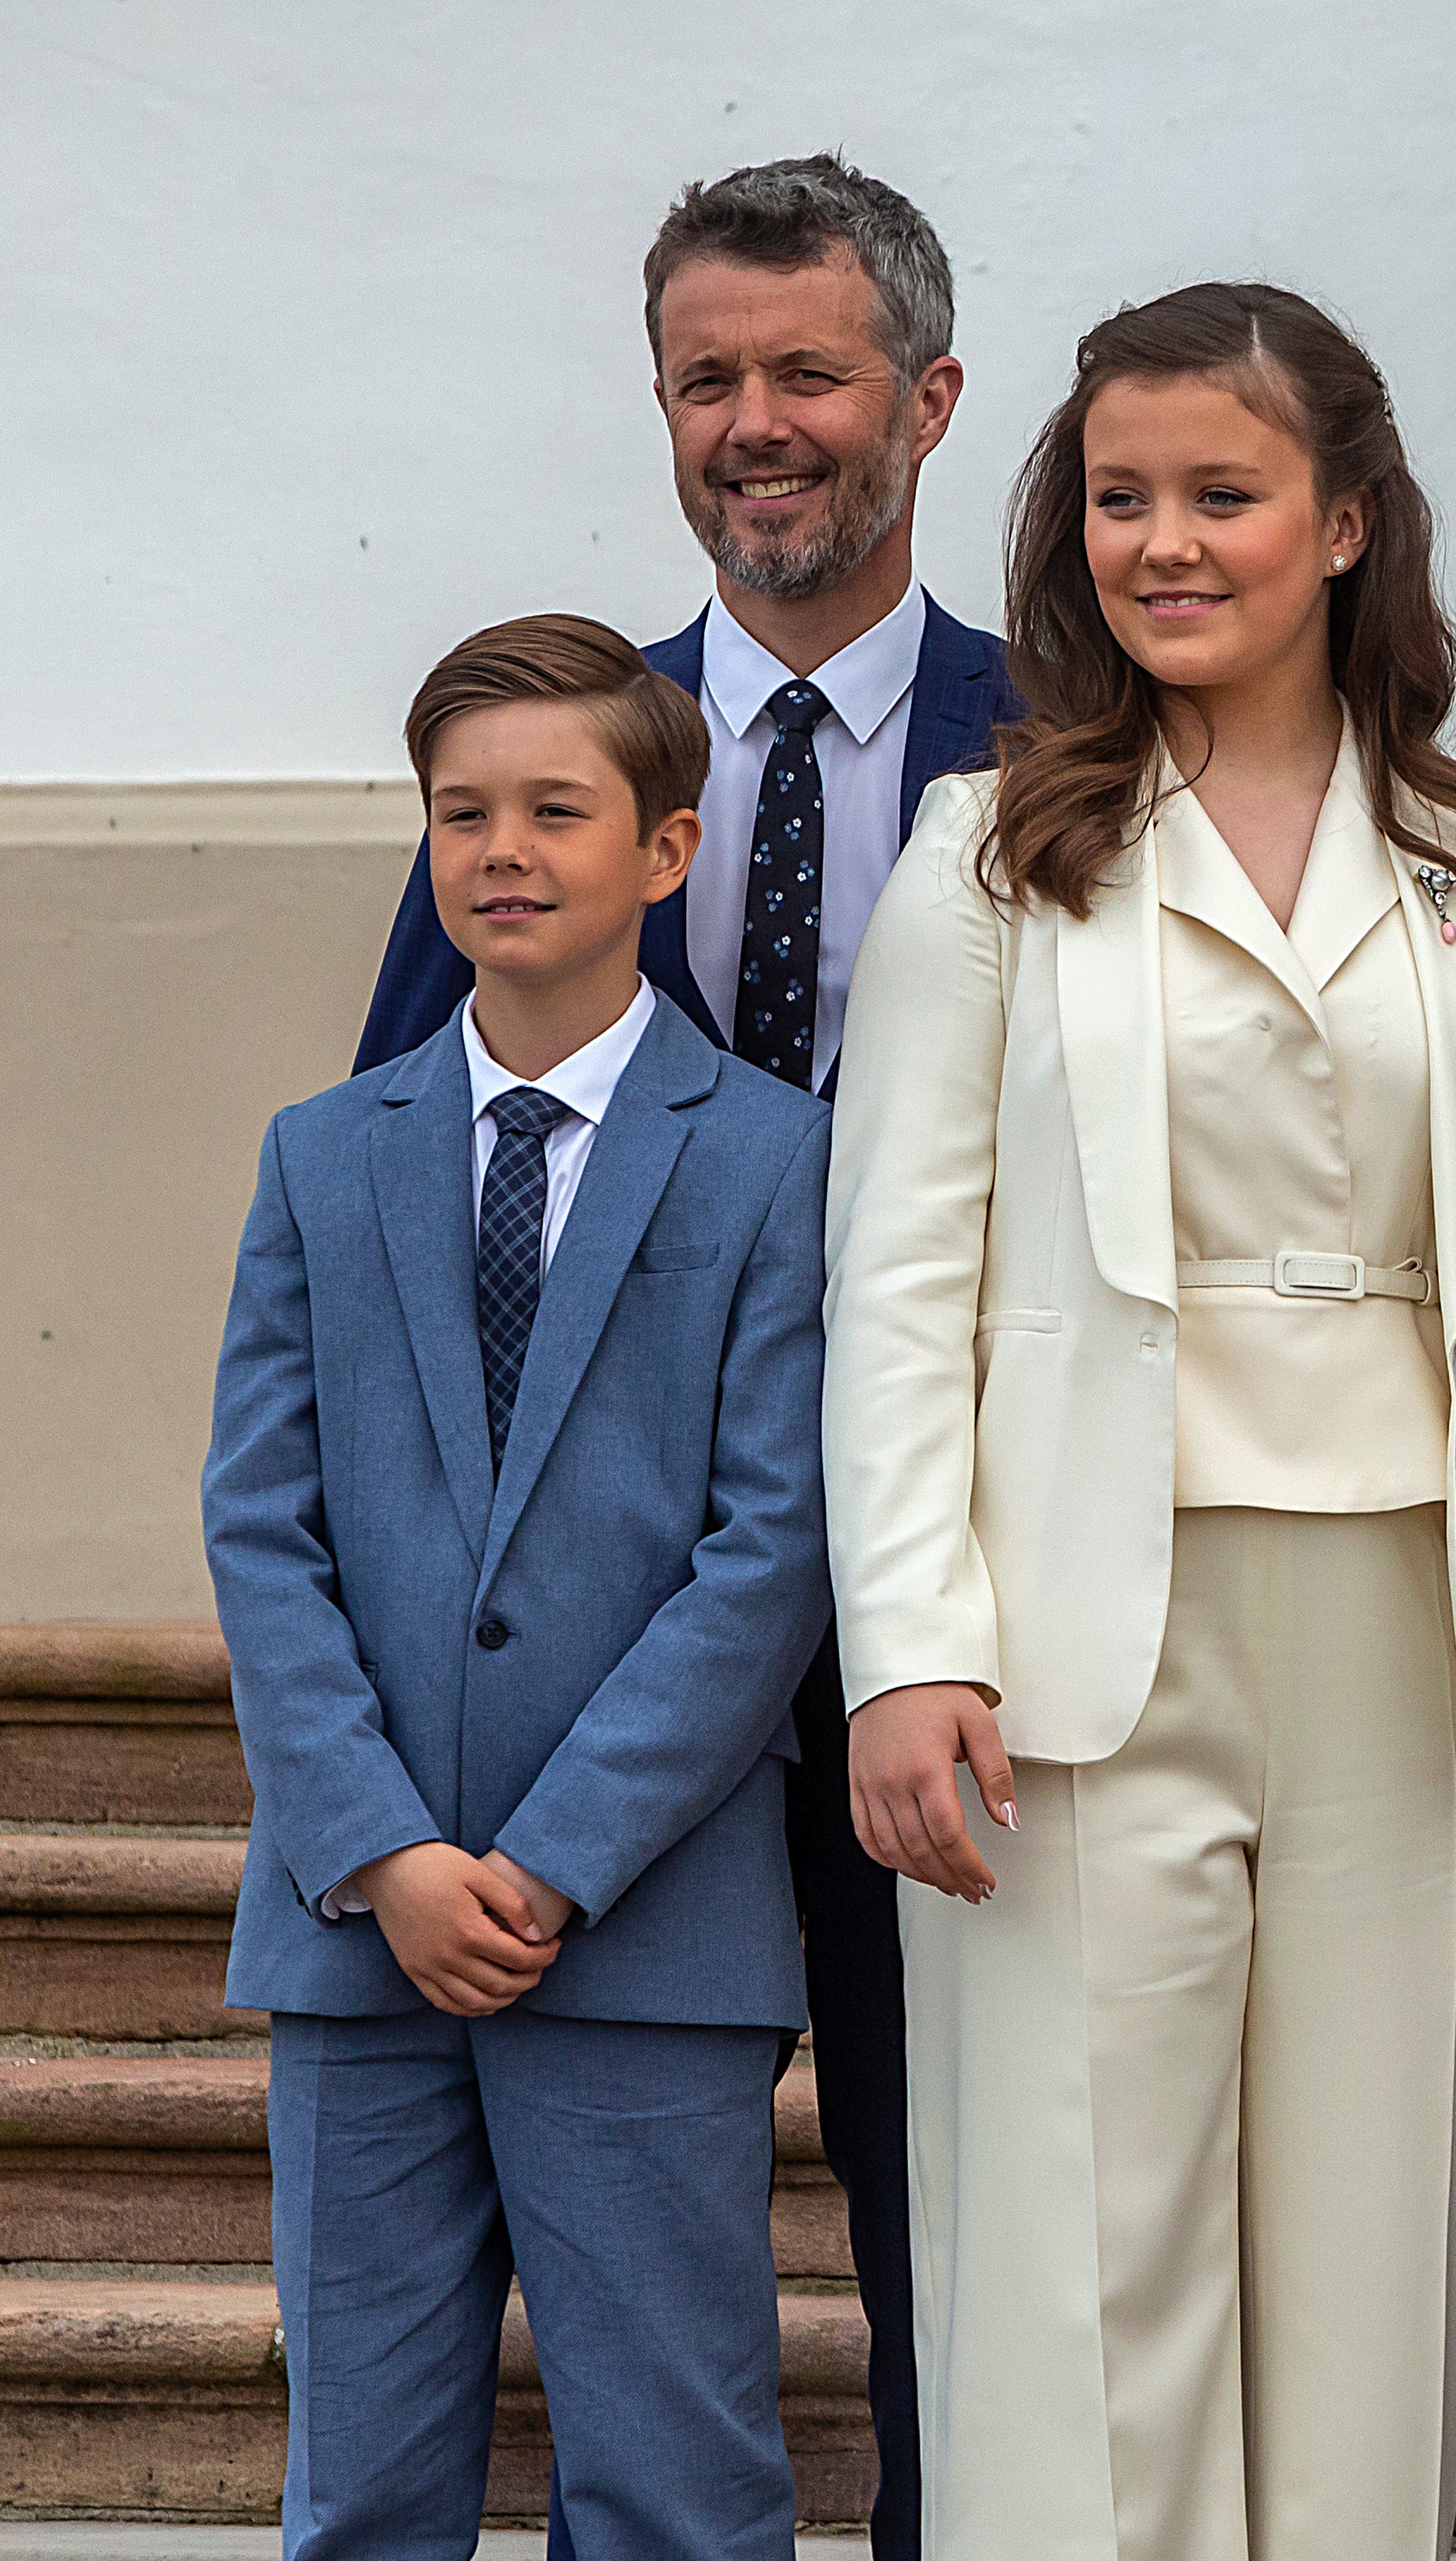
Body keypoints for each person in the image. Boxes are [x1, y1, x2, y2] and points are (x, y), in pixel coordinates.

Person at [821, 281, 1456, 2560]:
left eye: (1220, 492)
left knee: (1379, 2255)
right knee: (1080, 2276)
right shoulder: (991, 851)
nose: (1163, 541)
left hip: (1419, 1622)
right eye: (1120, 497)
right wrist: (907, 1641)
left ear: (1346, 522)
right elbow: (896, 1289)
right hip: (1079, 1641)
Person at [352, 154, 1010, 2560]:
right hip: (615, 1649)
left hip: (953, 1611)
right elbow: (401, 1201)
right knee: (629, 2270)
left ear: (926, 399)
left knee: (960, 2204)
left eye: (805, 370)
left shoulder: (1062, 755)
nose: (756, 422)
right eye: (704, 379)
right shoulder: (550, 773)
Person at [206, 616, 836, 2560]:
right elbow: (261, 1525)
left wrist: (555, 1854)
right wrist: (383, 1847)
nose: (501, 849)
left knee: (673, 2479)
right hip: (358, 1932)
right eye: (459, 811)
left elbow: (771, 1543)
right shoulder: (325, 1156)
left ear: (664, 849)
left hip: (642, 1930)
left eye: (555, 809)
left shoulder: (779, 1160)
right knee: (367, 2481)